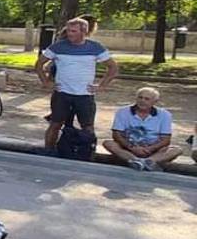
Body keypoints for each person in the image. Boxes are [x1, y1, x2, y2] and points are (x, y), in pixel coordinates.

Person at [37, 17, 119, 154]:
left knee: (87, 126)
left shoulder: (95, 47)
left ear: (84, 32)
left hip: (85, 95)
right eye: (68, 30)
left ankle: (87, 152)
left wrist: (102, 85)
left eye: (73, 31)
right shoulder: (58, 46)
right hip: (62, 93)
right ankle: (48, 150)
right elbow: (39, 64)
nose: (69, 34)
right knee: (55, 124)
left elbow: (112, 67)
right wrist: (46, 82)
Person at [103, 87, 182, 171]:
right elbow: (116, 134)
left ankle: (149, 161)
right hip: (128, 148)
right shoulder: (122, 111)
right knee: (109, 143)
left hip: (153, 149)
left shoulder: (165, 115)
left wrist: (149, 149)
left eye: (146, 99)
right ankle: (136, 161)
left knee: (176, 150)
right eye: (140, 97)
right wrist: (132, 148)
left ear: (154, 102)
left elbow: (166, 139)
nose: (142, 101)